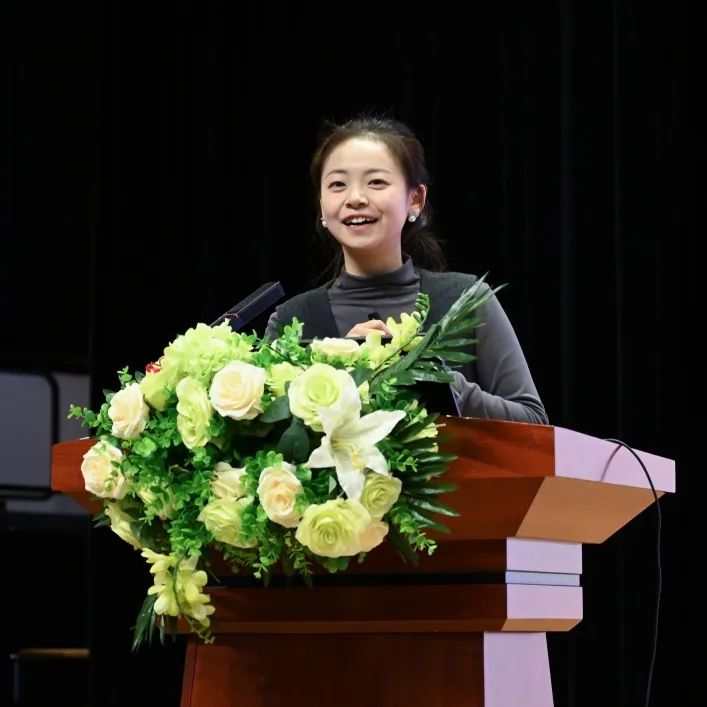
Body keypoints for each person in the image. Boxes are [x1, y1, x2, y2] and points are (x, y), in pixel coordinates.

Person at [264, 115, 548, 424]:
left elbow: (534, 422)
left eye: (376, 182)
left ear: (415, 199)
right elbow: (265, 439)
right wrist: (340, 374)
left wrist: (431, 375)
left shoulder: (466, 301)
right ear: (321, 205)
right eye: (337, 185)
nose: (355, 198)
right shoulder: (291, 321)